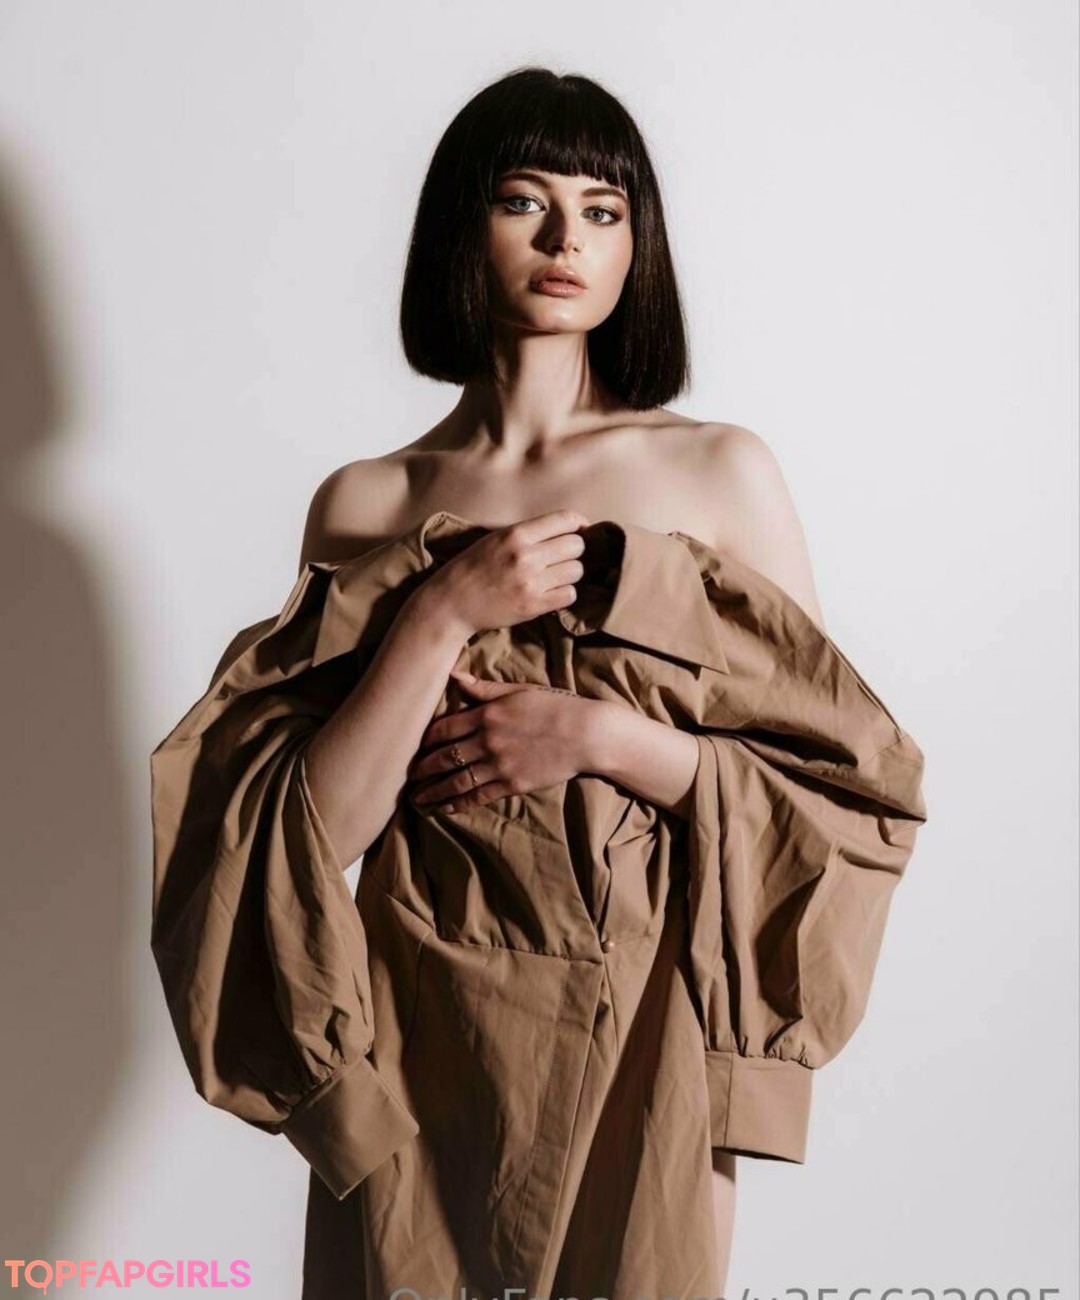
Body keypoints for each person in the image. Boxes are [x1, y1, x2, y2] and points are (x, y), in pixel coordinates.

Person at [296, 65, 827, 1291]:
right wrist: (442, 612)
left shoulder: (718, 474)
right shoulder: (368, 501)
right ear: (462, 227)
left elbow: (829, 787)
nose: (563, 240)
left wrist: (598, 737)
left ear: (638, 243)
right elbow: (315, 832)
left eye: (602, 209)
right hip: (412, 1022)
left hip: (648, 1022)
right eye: (523, 201)